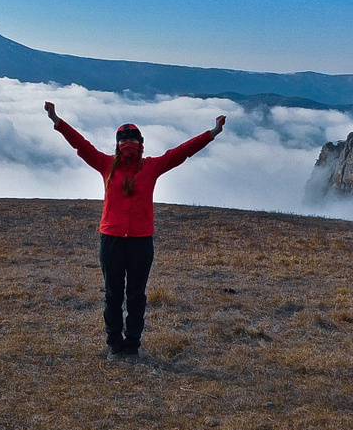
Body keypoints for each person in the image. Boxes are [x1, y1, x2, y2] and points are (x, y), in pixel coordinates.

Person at [45, 101, 226, 361]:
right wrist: (57, 120)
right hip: (116, 240)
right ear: (122, 144)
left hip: (135, 241)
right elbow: (81, 145)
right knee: (117, 295)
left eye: (132, 140)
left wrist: (211, 134)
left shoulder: (128, 165)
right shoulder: (117, 165)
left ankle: (126, 347)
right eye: (125, 140)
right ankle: (119, 346)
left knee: (130, 296)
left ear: (139, 144)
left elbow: (183, 151)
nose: (128, 144)